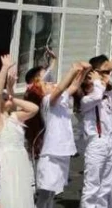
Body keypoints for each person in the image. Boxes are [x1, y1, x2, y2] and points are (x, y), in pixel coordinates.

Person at [0, 53, 38, 208]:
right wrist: (3, 68)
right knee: (8, 196)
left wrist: (12, 96)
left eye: (6, 98)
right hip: (5, 165)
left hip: (20, 162)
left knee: (21, 196)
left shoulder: (14, 118)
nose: (5, 98)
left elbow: (34, 109)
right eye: (3, 99)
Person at [35, 60, 90, 208]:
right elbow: (60, 88)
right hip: (50, 153)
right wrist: (72, 69)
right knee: (45, 191)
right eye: (47, 84)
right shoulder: (47, 101)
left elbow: (74, 86)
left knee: (54, 191)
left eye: (52, 83)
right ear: (42, 92)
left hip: (63, 151)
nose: (52, 84)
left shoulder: (61, 99)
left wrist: (84, 71)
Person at [77, 52, 112, 208]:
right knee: (92, 184)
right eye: (104, 72)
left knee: (107, 182)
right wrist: (98, 82)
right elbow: (97, 95)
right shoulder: (86, 100)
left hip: (109, 142)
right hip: (96, 143)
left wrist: (110, 79)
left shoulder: (107, 97)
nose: (106, 76)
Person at [23, 48, 57, 158]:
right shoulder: (33, 90)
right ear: (35, 79)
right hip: (36, 122)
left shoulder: (37, 88)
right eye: (44, 75)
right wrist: (53, 60)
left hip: (42, 121)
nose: (48, 80)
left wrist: (54, 59)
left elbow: (48, 73)